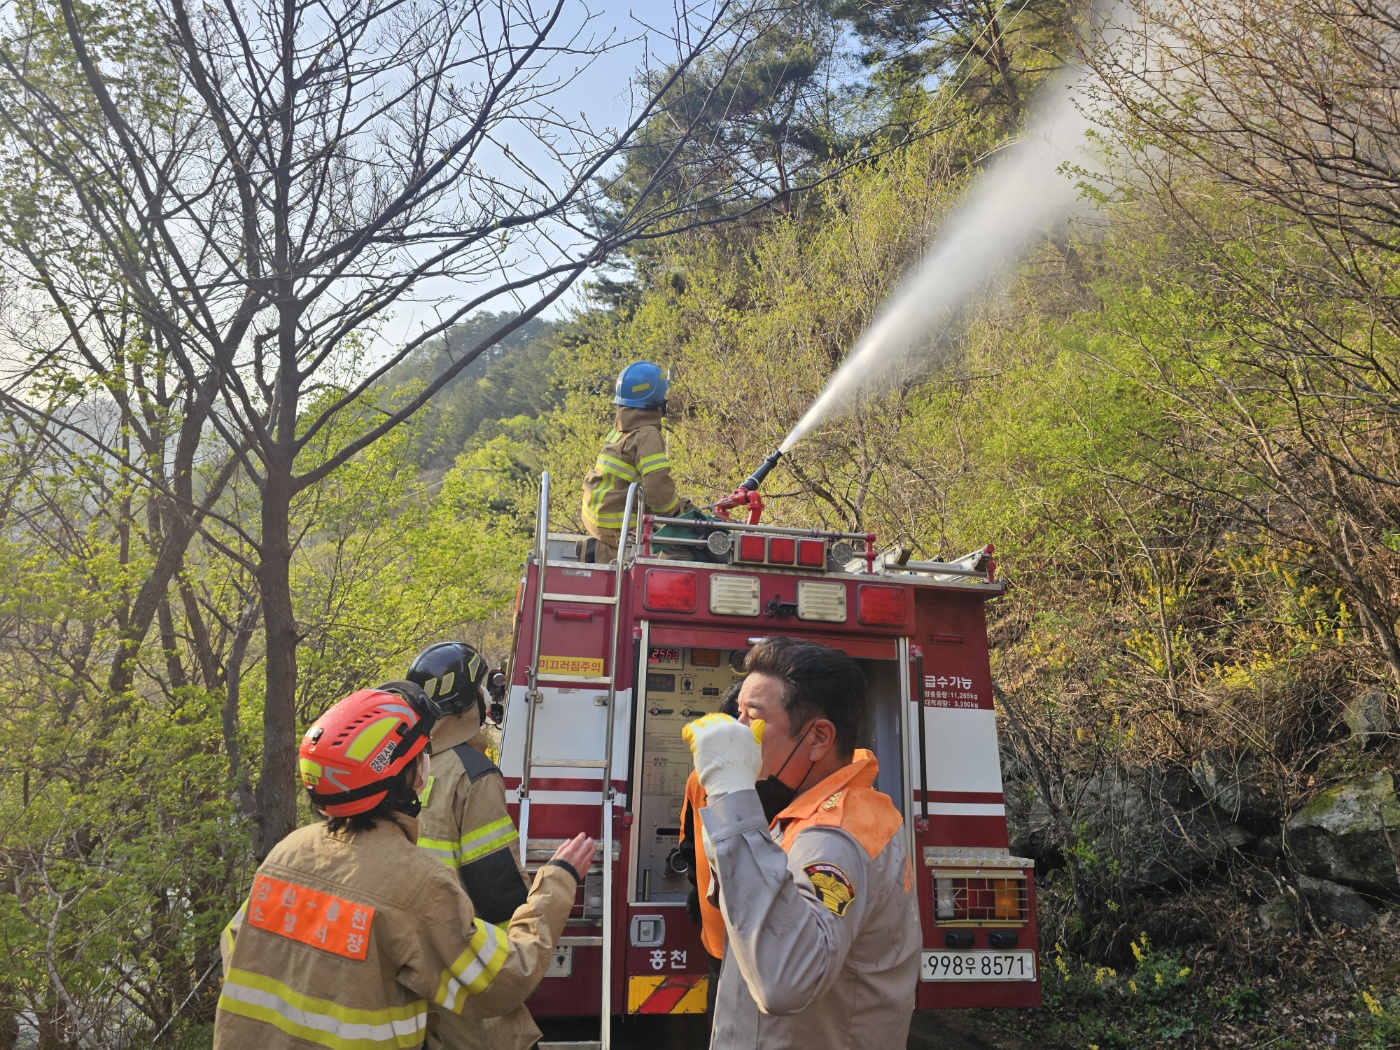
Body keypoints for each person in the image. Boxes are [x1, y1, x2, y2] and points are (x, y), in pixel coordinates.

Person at [214, 682, 594, 1050]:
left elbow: (237, 948)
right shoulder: (417, 882)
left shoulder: (286, 854)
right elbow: (504, 980)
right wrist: (557, 882)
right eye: (419, 755)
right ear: (403, 775)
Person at [682, 638, 918, 1050]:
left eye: (753, 718)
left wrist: (731, 797)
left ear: (818, 738)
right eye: (738, 714)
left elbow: (783, 981)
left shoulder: (833, 835)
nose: (737, 732)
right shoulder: (805, 809)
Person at [408, 641, 529, 924]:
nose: (484, 695)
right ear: (462, 704)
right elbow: (497, 884)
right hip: (455, 935)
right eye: (478, 689)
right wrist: (523, 939)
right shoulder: (475, 775)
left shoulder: (403, 761)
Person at [580, 360, 694, 562]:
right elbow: (657, 487)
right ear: (656, 401)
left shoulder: (620, 431)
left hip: (596, 521)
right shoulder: (647, 435)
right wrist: (677, 512)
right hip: (619, 528)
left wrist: (680, 502)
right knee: (684, 552)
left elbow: (626, 483)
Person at [676, 682, 741, 1024]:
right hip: (766, 939)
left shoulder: (698, 777)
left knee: (723, 1024)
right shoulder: (782, 779)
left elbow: (688, 843)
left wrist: (696, 886)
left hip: (717, 932)